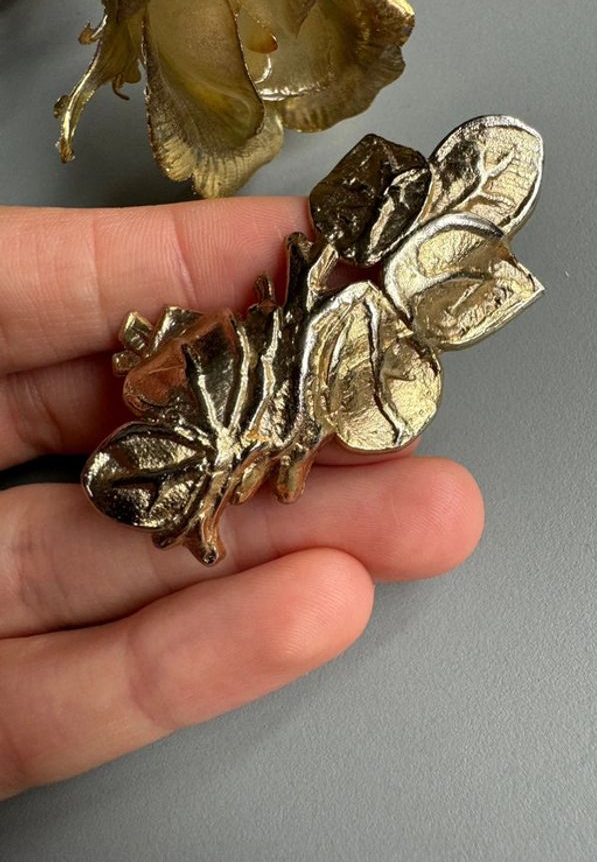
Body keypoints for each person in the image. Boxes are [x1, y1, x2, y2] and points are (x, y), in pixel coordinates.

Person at [0, 197, 483, 799]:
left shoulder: (277, 403)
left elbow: (280, 456)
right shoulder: (198, 408)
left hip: (248, 394)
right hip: (235, 393)